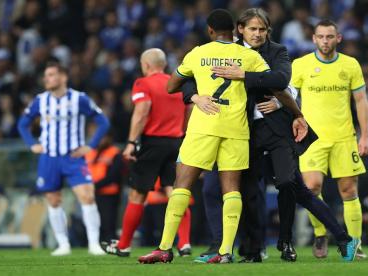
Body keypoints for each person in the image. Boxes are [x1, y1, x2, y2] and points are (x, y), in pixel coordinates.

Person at [190, 8, 360, 263]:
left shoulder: (277, 51)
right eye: (252, 29)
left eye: (262, 29)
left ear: (268, 31)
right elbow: (192, 76)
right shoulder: (228, 51)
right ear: (240, 29)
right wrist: (194, 96)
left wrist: (250, 80)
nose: (257, 34)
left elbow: (281, 79)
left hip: (278, 129)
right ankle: (252, 249)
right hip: (243, 131)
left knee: (289, 184)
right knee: (248, 192)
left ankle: (296, 241)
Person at [138, 9, 271, 264]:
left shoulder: (198, 53)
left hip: (203, 126)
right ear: (234, 30)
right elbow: (271, 79)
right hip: (236, 128)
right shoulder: (247, 55)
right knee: (231, 190)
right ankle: (225, 252)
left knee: (182, 186)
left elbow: (171, 85)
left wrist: (196, 94)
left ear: (210, 30)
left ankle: (165, 248)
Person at [291, 19, 368, 259]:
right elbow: (290, 99)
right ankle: (320, 234)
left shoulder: (350, 65)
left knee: (349, 190)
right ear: (314, 39)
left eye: (329, 37)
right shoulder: (301, 65)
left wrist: (365, 135)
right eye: (321, 37)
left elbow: (360, 101)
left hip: (344, 137)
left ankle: (355, 245)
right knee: (312, 187)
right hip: (312, 139)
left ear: (338, 39)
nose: (325, 41)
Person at [102, 48, 190, 257]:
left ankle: (123, 246)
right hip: (177, 142)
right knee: (175, 193)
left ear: (146, 65)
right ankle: (184, 243)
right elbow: (189, 110)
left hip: (152, 144)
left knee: (137, 194)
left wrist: (131, 142)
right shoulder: (177, 84)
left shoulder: (143, 83)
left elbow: (142, 112)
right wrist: (182, 133)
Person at [17, 61, 109, 256]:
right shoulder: (40, 100)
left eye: (51, 74)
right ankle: (63, 244)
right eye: (46, 75)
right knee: (53, 200)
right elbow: (22, 124)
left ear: (63, 77)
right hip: (49, 158)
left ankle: (94, 245)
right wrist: (32, 144)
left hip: (73, 157)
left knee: (87, 196)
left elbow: (103, 122)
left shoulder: (80, 99)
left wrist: (90, 146)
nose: (46, 79)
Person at [85, 130, 124, 243]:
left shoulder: (114, 152)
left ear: (109, 138)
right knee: (93, 222)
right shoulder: (90, 152)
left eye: (103, 137)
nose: (100, 140)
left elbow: (114, 175)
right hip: (92, 194)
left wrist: (95, 186)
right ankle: (95, 245)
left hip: (109, 194)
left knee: (108, 223)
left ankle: (110, 245)